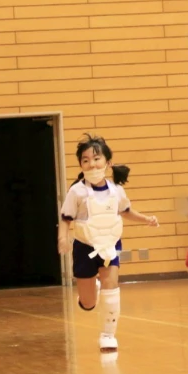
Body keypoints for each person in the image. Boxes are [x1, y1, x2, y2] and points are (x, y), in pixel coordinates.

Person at [58, 134, 158, 354]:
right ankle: (89, 291)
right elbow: (66, 218)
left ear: (108, 163)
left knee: (111, 288)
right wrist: (63, 238)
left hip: (110, 246)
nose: (91, 164)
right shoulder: (77, 192)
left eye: (96, 158)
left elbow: (126, 212)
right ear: (81, 165)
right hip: (85, 248)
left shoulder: (116, 191)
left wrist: (146, 219)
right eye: (85, 160)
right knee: (88, 304)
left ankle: (108, 336)